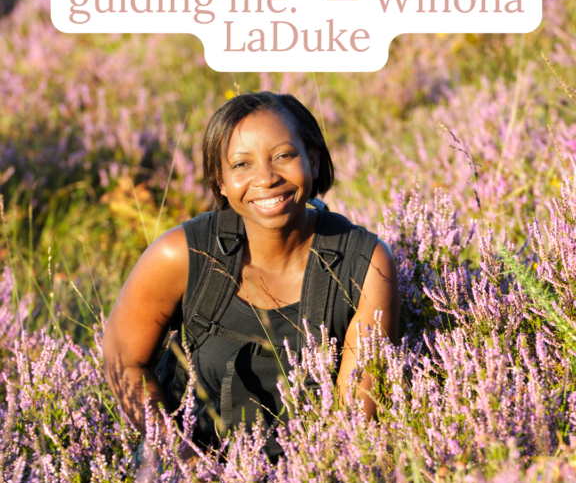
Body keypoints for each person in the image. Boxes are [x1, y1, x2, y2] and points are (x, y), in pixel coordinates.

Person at [103, 91, 399, 459]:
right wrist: (181, 462)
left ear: (315, 161)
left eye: (283, 156)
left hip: (312, 481)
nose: (266, 178)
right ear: (221, 182)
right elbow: (124, 362)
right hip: (186, 476)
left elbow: (353, 420)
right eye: (241, 164)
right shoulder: (181, 254)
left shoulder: (365, 263)